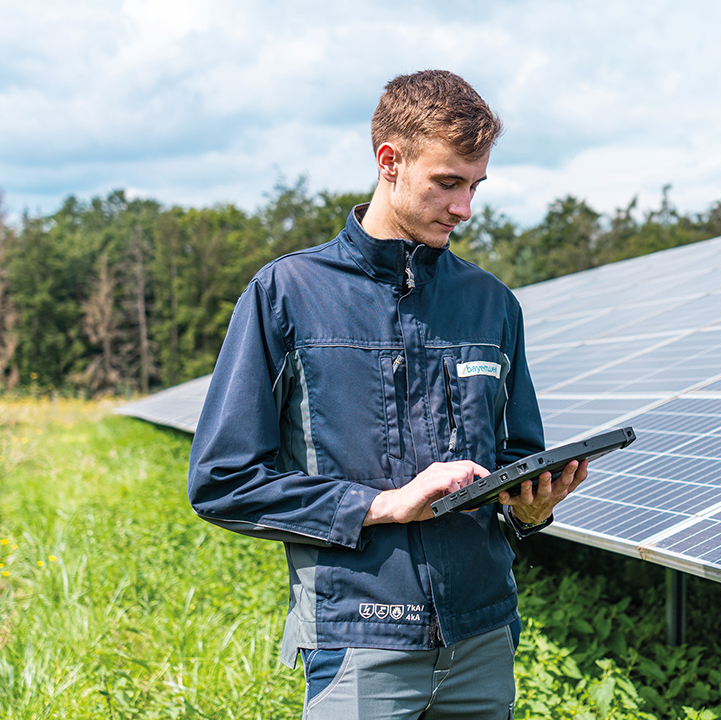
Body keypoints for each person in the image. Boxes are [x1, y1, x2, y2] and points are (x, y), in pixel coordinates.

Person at [188, 69, 587, 720]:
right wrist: (384, 504)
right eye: (448, 183)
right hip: (360, 642)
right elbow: (223, 482)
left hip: (484, 643)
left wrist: (532, 511)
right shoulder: (286, 296)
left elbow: (517, 465)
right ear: (390, 162)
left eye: (476, 186)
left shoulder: (492, 306)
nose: (465, 209)